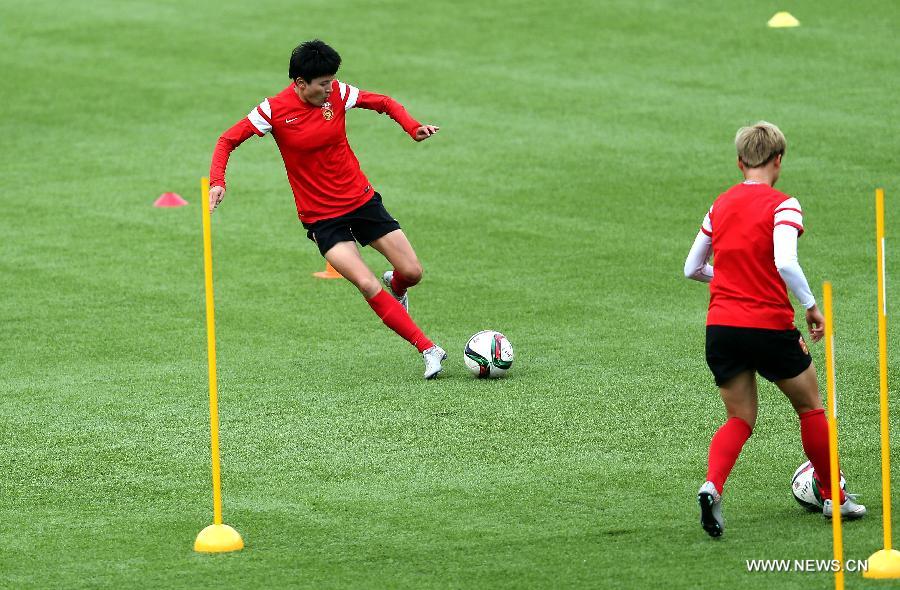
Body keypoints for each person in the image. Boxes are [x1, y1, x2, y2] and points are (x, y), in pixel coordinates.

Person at [208, 40, 446, 379]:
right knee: (365, 283)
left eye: (332, 81)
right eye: (323, 84)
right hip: (322, 219)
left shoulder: (338, 94)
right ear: (300, 84)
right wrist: (219, 180)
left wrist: (412, 127)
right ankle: (428, 348)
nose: (330, 89)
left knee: (413, 272)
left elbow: (383, 102)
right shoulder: (272, 110)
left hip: (362, 201)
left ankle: (398, 285)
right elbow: (227, 140)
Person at [683, 121, 866, 538]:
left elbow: (691, 268)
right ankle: (832, 496)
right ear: (778, 160)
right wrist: (811, 305)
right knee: (810, 407)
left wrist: (729, 280)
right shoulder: (784, 204)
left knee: (740, 418)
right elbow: (785, 262)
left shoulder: (720, 204)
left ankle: (712, 485)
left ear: (740, 161)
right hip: (767, 325)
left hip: (721, 327)